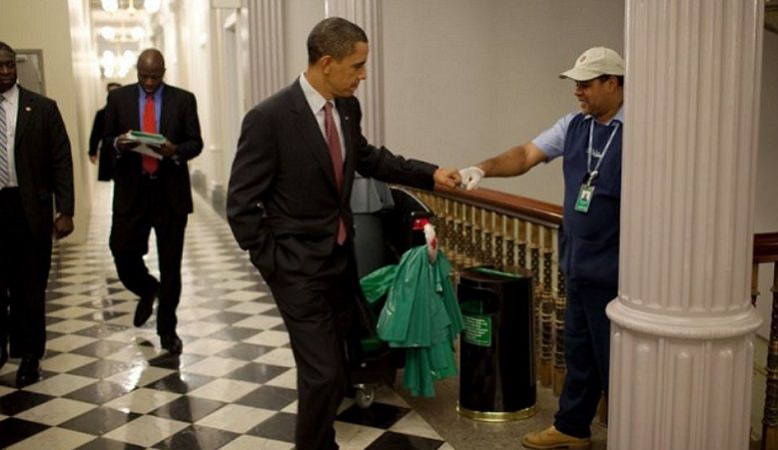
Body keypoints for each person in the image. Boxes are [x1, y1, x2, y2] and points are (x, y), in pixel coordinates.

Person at [226, 17, 461, 450]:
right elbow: (240, 204)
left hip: (339, 261)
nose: (364, 75)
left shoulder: (347, 109)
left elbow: (370, 159)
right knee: (325, 373)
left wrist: (431, 175)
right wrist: (274, 264)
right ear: (328, 62)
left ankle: (322, 443)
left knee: (332, 366)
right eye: (357, 65)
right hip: (295, 268)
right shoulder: (269, 118)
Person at [459, 46, 625, 450]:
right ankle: (572, 426)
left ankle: (635, 435)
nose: (578, 92)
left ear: (613, 83)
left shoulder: (642, 130)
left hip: (619, 270)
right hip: (579, 263)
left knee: (617, 365)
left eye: (586, 85)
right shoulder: (574, 126)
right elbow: (526, 154)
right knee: (579, 352)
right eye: (576, 85)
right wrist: (482, 168)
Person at [103, 48, 202, 355]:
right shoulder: (118, 100)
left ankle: (167, 330)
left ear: (164, 72)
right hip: (132, 191)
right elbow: (105, 139)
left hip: (169, 192)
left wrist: (175, 151)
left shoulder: (183, 99)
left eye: (155, 76)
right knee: (121, 251)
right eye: (144, 76)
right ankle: (147, 289)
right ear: (136, 71)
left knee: (172, 266)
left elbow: (195, 142)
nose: (149, 82)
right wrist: (119, 143)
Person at [0, 42, 74, 386]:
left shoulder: (41, 108)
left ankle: (30, 356)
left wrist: (66, 210)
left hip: (30, 210)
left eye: (10, 65)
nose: (5, 71)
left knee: (31, 288)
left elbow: (61, 161)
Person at [88, 81, 121, 181]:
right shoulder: (102, 114)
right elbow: (96, 133)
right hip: (108, 151)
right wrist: (92, 151)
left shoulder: (127, 113)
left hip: (125, 152)